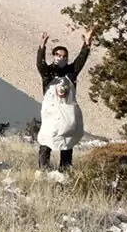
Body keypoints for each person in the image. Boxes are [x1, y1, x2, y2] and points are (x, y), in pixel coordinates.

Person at [36, 31, 91, 171]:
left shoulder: (71, 72)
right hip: (51, 113)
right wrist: (42, 46)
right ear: (53, 56)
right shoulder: (48, 73)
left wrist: (87, 44)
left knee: (67, 141)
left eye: (64, 56)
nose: (61, 58)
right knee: (47, 139)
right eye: (58, 55)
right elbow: (40, 65)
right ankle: (44, 168)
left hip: (67, 113)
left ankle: (65, 168)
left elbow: (81, 60)